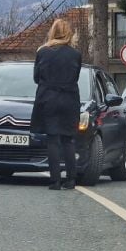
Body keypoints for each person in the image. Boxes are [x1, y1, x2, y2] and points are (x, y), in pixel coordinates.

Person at [30, 18, 82, 190]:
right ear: (68, 33)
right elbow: (75, 77)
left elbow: (36, 78)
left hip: (48, 98)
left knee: (53, 139)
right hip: (69, 98)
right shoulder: (75, 54)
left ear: (52, 32)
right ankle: (71, 179)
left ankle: (55, 181)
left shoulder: (43, 52)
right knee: (68, 139)